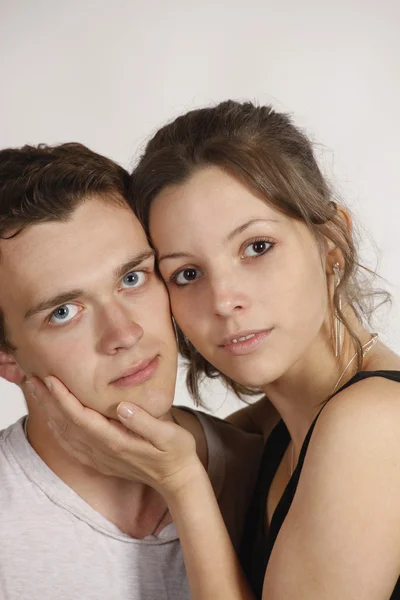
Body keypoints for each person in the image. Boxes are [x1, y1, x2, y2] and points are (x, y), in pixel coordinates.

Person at [6, 100, 400, 599]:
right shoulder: (273, 431)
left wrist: (182, 483)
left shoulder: (372, 423)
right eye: (186, 274)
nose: (224, 301)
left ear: (331, 241)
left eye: (256, 247)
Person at [0, 142, 263, 600]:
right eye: (64, 311)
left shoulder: (266, 470)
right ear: (6, 357)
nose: (124, 332)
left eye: (132, 278)